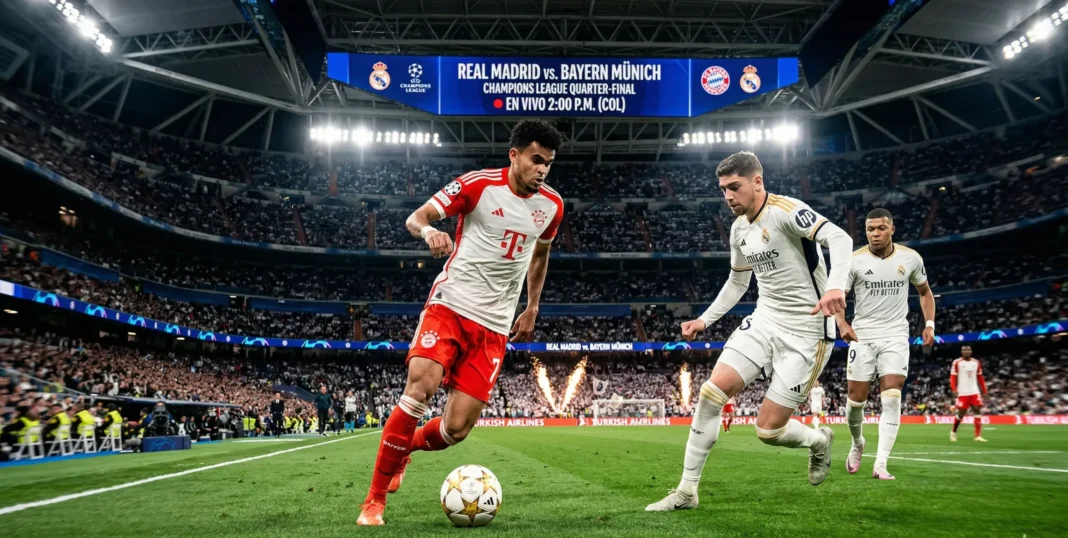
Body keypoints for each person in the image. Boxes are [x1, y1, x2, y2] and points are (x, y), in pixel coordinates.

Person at [357, 119, 565, 526]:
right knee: (421, 387)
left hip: (495, 325)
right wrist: (429, 232)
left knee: (456, 429)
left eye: (549, 164)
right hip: (451, 305)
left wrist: (533, 306)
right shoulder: (478, 184)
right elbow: (416, 218)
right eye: (536, 160)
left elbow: (540, 257)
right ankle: (374, 501)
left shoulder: (552, 206)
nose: (542, 170)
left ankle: (404, 450)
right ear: (515, 155)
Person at [646, 151, 853, 512]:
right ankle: (686, 491)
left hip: (807, 332)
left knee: (768, 431)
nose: (728, 196)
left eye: (734, 187)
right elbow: (737, 281)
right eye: (723, 189)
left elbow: (840, 239)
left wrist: (836, 286)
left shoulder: (787, 211)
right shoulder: (739, 228)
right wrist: (704, 320)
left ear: (757, 181)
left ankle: (818, 441)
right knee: (711, 394)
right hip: (764, 320)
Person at [836, 208, 936, 480]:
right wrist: (842, 323)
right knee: (856, 400)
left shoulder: (911, 258)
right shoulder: (854, 261)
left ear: (892, 229)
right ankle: (858, 443)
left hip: (895, 335)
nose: (875, 234)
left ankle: (881, 463)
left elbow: (925, 292)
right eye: (870, 229)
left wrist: (929, 324)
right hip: (863, 336)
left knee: (891, 398)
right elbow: (838, 297)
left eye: (880, 228)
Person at [950, 346, 987, 442]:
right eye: (964, 350)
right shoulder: (957, 362)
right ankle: (953, 432)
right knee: (961, 413)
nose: (966, 352)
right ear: (961, 352)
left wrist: (984, 391)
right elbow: (953, 378)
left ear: (971, 351)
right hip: (962, 391)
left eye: (968, 350)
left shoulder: (976, 363)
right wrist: (954, 389)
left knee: (977, 410)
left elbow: (980, 378)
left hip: (974, 391)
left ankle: (977, 436)